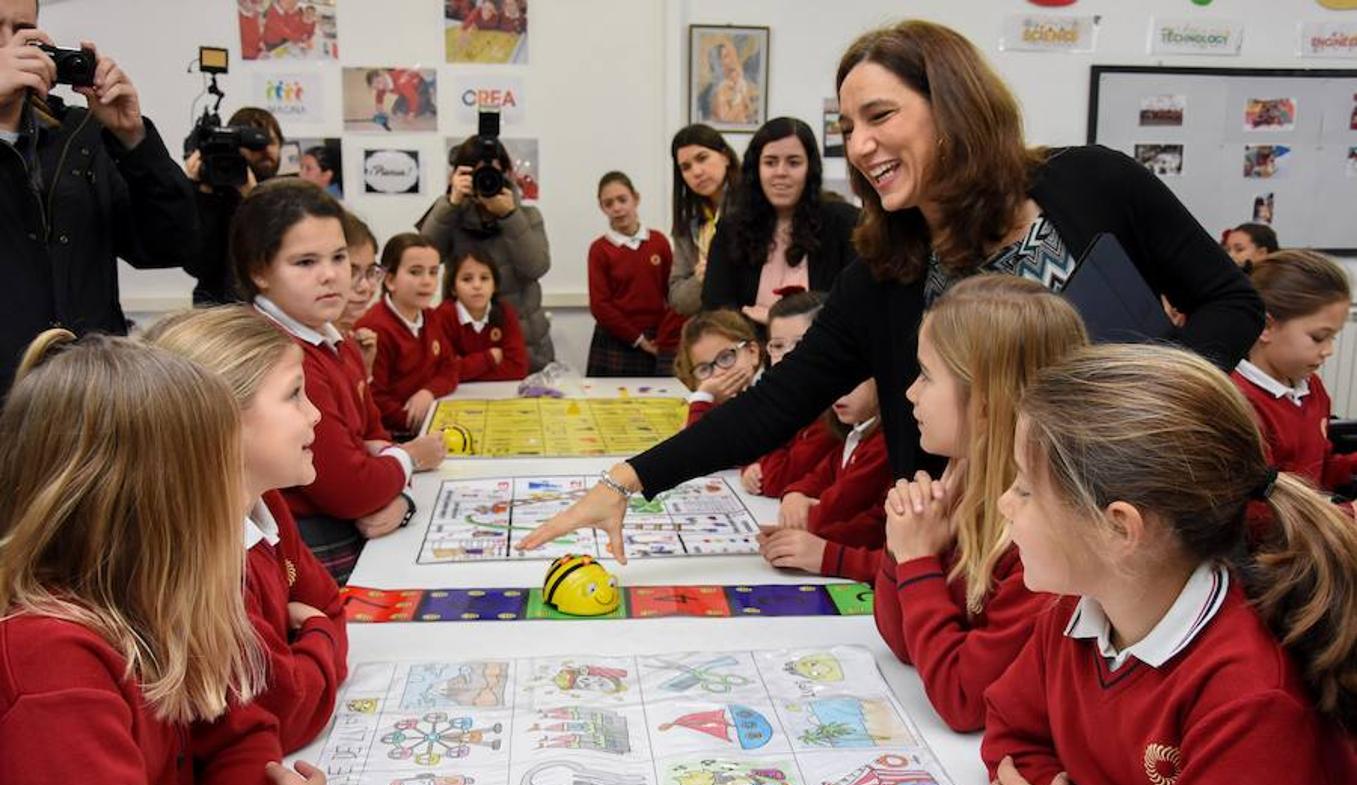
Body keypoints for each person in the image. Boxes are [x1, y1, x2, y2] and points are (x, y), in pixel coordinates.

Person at [517, 20, 1263, 562]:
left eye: (879, 116)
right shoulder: (885, 271)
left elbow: (1231, 302)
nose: (861, 144)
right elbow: (778, 403)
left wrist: (1149, 406)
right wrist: (625, 481)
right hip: (992, 561)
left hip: (1148, 527)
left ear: (954, 104)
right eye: (848, 127)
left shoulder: (1092, 183)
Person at [981, 344, 1356, 785]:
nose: (1005, 503)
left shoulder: (1252, 695)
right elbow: (1012, 737)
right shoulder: (1078, 611)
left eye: (1027, 488)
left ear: (1119, 529)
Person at [0, 331, 325, 785]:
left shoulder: (147, 600)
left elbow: (243, 737)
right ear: (146, 503)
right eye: (218, 475)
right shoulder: (47, 667)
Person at [874, 275, 1086, 732]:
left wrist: (915, 559)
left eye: (927, 376)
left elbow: (964, 700)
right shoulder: (966, 485)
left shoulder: (1046, 537)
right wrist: (906, 549)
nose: (910, 392)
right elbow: (903, 643)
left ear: (987, 404)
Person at [145, 306, 349, 753]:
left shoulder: (266, 501)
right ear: (219, 423)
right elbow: (288, 714)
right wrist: (316, 633)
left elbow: (328, 602)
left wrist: (309, 640)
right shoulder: (199, 560)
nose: (314, 415)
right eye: (295, 395)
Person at [233, 179, 444, 583]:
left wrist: (398, 493)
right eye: (306, 262)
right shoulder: (278, 354)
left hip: (345, 524)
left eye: (339, 257)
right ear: (260, 270)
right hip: (305, 544)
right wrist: (410, 457)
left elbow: (371, 433)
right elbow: (349, 489)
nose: (331, 276)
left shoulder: (337, 339)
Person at [0, 0, 200, 394]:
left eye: (22, 28)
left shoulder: (79, 133)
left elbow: (171, 244)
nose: (11, 45)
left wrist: (133, 140)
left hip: (89, 398)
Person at [702, 116, 858, 325]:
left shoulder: (844, 222)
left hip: (823, 351)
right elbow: (716, 309)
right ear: (756, 169)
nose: (780, 173)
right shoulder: (730, 228)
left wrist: (773, 319)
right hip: (751, 349)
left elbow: (855, 304)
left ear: (809, 169)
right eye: (770, 162)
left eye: (793, 162)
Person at [417, 134, 553, 371]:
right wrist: (450, 203)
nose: (485, 181)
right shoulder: (453, 216)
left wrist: (510, 217)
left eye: (492, 174)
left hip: (526, 344)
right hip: (466, 344)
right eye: (476, 175)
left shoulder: (528, 217)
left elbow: (535, 267)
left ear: (507, 175)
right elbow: (424, 258)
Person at [1232, 250, 1356, 493]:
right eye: (1319, 337)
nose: (1328, 350)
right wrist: (1346, 516)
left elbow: (1320, 470)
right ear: (1266, 326)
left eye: (1333, 337)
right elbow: (1259, 513)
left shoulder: (1312, 388)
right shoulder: (1239, 403)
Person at [759, 377, 890, 583]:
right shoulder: (854, 434)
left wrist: (806, 527)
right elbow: (816, 478)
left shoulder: (882, 444)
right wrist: (795, 494)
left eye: (854, 381)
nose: (839, 391)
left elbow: (838, 509)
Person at [358, 233, 460, 435]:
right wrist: (423, 423)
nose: (427, 281)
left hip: (428, 419)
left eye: (433, 272)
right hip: (396, 434)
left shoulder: (432, 317)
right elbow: (375, 400)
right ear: (390, 280)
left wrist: (428, 392)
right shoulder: (374, 328)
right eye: (415, 272)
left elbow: (451, 367)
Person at [740, 290, 836, 497]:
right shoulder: (785, 401)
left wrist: (762, 461)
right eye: (778, 345)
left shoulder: (830, 416)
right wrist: (751, 467)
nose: (788, 355)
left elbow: (776, 479)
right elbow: (741, 450)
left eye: (801, 344)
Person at [184, 106, 284, 306]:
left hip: (276, 310)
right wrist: (201, 194)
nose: (265, 150)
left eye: (270, 142)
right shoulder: (210, 194)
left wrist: (252, 197)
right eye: (254, 145)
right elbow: (197, 265)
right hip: (218, 315)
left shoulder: (288, 197)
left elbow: (279, 255)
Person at [587, 171, 680, 377]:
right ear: (602, 208)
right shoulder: (599, 249)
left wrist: (665, 337)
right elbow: (600, 305)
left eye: (622, 200)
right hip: (616, 338)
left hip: (658, 338)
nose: (617, 208)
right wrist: (639, 340)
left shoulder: (659, 242)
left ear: (635, 199)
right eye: (609, 203)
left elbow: (673, 293)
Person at [669, 124, 740, 317]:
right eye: (686, 167)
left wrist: (719, 269)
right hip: (708, 325)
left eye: (702, 158)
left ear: (725, 156)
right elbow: (677, 299)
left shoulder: (752, 204)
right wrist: (700, 278)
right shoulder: (686, 219)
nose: (697, 172)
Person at [441, 248, 529, 382]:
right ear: (453, 288)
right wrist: (489, 358)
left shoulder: (505, 313)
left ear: (494, 286)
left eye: (484, 278)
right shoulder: (442, 316)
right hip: (457, 395)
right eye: (467, 279)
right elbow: (443, 372)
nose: (477, 285)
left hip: (498, 393)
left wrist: (464, 368)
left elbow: (518, 368)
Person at [674, 310, 761, 427]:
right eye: (704, 369)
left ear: (752, 352)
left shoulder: (773, 399)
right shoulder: (707, 410)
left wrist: (702, 399)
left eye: (726, 357)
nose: (718, 372)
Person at [337, 209, 381, 375]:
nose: (365, 287)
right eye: (351, 271)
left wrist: (365, 370)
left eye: (370, 271)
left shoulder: (348, 337)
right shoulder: (298, 352)